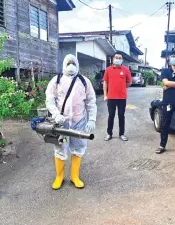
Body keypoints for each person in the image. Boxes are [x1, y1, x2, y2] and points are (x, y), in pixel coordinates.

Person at [45, 54, 97, 190]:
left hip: (79, 121)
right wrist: (56, 115)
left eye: (73, 63)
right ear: (63, 65)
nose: (71, 66)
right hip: (61, 122)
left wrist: (92, 119)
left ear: (78, 65)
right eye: (68, 63)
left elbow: (91, 101)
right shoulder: (56, 80)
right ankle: (59, 177)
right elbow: (49, 100)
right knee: (60, 147)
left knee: (79, 148)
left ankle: (75, 176)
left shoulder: (84, 81)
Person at [103, 52, 132, 141]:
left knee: (121, 115)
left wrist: (122, 87)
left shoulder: (126, 70)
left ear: (122, 60)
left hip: (122, 98)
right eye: (116, 57)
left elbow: (129, 82)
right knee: (111, 115)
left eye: (119, 58)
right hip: (111, 97)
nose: (118, 59)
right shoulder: (108, 69)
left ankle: (121, 134)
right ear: (113, 59)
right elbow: (105, 82)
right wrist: (105, 95)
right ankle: (109, 133)